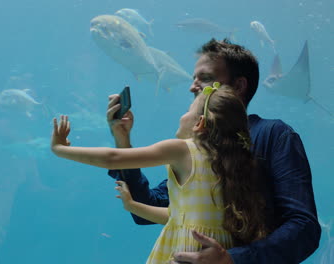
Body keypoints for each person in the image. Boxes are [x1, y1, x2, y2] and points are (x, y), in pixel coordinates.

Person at [107, 39, 321, 263]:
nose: (192, 86)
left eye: (206, 78)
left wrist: (233, 259)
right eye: (193, 79)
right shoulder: (197, 144)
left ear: (239, 86)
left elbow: (304, 228)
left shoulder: (274, 135)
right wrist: (123, 141)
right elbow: (151, 206)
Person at [51, 83, 268, 263]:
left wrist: (61, 149)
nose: (182, 115)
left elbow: (112, 158)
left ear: (199, 124)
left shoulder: (183, 150)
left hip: (187, 254)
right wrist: (133, 206)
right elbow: (179, 217)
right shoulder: (235, 165)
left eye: (187, 110)